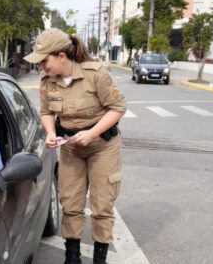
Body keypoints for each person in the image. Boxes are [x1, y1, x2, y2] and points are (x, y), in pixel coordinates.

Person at [23, 28, 127, 264]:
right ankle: (72, 257)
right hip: (70, 146)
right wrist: (50, 133)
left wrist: (91, 133)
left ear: (61, 56)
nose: (41, 67)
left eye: (44, 61)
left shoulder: (96, 74)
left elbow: (118, 108)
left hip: (102, 145)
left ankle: (99, 259)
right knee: (70, 203)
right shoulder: (47, 82)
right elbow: (46, 112)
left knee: (102, 206)